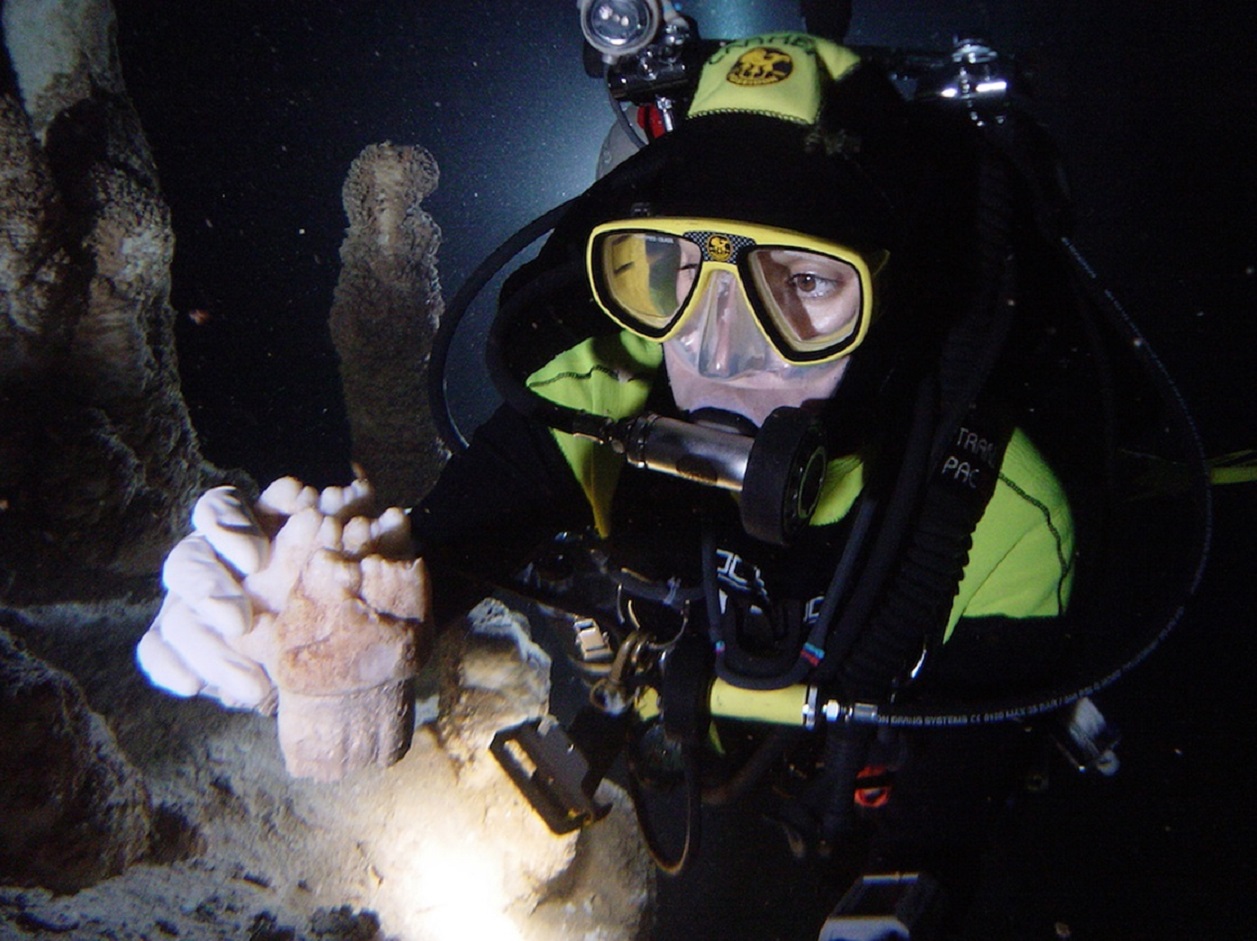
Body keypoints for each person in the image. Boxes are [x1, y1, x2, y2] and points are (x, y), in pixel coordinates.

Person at [140, 32, 1078, 937]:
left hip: (856, 788)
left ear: (893, 300)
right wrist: (308, 609)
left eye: (803, 283)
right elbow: (434, 550)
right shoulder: (610, 389)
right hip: (665, 741)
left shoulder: (1001, 517)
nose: (716, 348)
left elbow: (952, 807)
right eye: (673, 270)